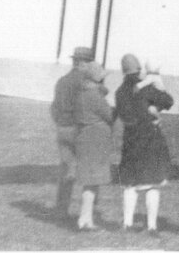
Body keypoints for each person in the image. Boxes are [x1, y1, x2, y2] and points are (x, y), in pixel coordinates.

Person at [115, 54, 174, 234]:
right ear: (139, 69)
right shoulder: (147, 89)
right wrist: (156, 106)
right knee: (152, 184)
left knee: (130, 184)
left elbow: (125, 116)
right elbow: (169, 101)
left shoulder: (120, 92)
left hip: (131, 141)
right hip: (151, 140)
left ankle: (127, 223)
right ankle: (152, 226)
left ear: (123, 71)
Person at [50, 46, 95, 221]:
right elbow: (87, 108)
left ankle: (61, 211)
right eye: (89, 62)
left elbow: (53, 107)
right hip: (78, 130)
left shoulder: (62, 81)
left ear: (74, 61)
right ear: (83, 63)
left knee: (66, 170)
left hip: (62, 128)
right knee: (89, 171)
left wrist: (60, 123)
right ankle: (87, 215)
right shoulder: (84, 82)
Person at [73, 62, 116, 231]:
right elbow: (110, 115)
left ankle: (86, 218)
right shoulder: (95, 96)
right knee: (92, 182)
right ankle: (85, 219)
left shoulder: (82, 94)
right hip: (95, 142)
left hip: (85, 139)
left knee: (89, 182)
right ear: (98, 79)